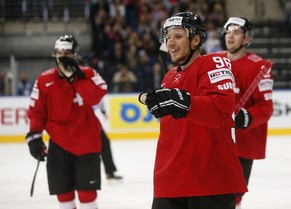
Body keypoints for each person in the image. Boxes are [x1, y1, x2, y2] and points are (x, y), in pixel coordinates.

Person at [138, 12, 247, 209]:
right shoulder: (169, 77)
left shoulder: (213, 63)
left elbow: (220, 111)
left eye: (178, 36)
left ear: (196, 40)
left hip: (210, 180)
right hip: (169, 179)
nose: (171, 43)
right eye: (168, 37)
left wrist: (185, 102)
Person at [25, 35, 107, 209]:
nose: (62, 56)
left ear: (75, 54)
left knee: (87, 197)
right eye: (59, 52)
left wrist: (75, 79)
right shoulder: (44, 80)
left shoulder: (89, 74)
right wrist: (34, 136)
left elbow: (95, 97)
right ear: (54, 54)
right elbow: (37, 111)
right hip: (58, 145)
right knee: (64, 197)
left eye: (67, 52)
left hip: (87, 143)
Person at [218, 17, 274, 209]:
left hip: (242, 143)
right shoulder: (212, 61)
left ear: (247, 40)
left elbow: (265, 108)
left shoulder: (258, 66)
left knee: (234, 197)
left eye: (236, 32)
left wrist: (247, 117)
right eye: (228, 31)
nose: (230, 35)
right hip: (215, 138)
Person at [97, 99, 123, 181]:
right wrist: (103, 111)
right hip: (87, 122)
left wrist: (103, 111)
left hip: (91, 122)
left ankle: (110, 172)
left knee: (104, 143)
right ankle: (109, 172)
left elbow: (99, 99)